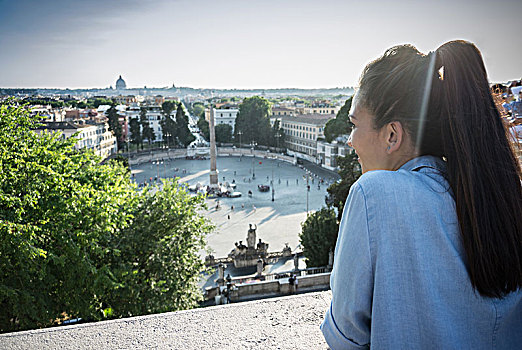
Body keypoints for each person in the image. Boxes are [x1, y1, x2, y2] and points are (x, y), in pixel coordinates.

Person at [321, 41, 522, 349]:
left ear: (392, 135)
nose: (350, 141)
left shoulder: (372, 194)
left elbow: (346, 336)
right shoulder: (496, 193)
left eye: (353, 124)